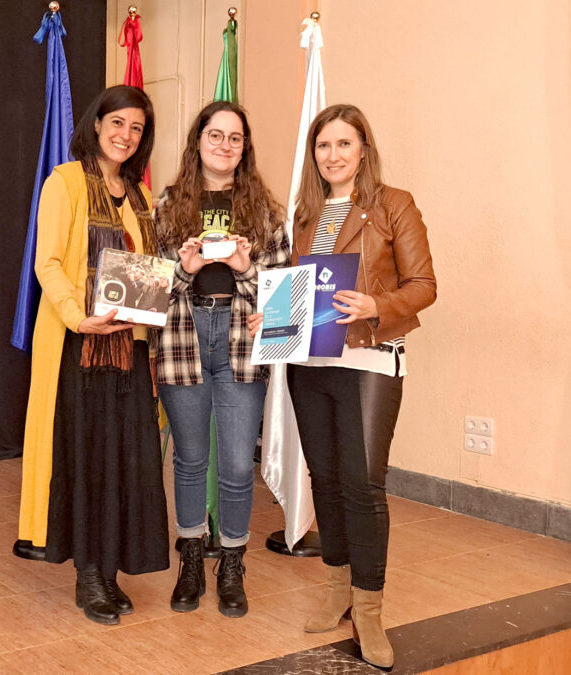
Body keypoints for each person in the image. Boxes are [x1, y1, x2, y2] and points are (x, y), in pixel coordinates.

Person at [248, 104, 435, 667]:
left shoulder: (393, 205)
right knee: (325, 480)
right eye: (323, 146)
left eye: (344, 145)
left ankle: (370, 610)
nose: (333, 156)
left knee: (363, 485)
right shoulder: (304, 215)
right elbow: (298, 289)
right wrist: (271, 318)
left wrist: (378, 303)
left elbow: (424, 285)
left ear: (363, 151)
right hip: (310, 362)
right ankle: (336, 591)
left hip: (370, 360)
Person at [17, 85, 169, 625]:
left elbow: (150, 270)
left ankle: (109, 570)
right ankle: (88, 573)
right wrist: (77, 316)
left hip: (132, 349)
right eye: (118, 123)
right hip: (80, 346)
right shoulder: (65, 182)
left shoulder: (142, 196)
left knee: (124, 459)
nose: (126, 135)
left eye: (137, 128)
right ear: (97, 122)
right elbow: (49, 262)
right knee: (87, 458)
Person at [155, 101, 290, 618]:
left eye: (235, 138)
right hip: (184, 336)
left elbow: (280, 297)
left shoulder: (265, 210)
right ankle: (191, 558)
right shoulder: (169, 204)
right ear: (198, 142)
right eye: (216, 135)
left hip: (240, 339)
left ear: (244, 148)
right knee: (189, 460)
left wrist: (244, 268)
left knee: (236, 465)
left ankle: (231, 563)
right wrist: (185, 270)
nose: (225, 145)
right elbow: (152, 292)